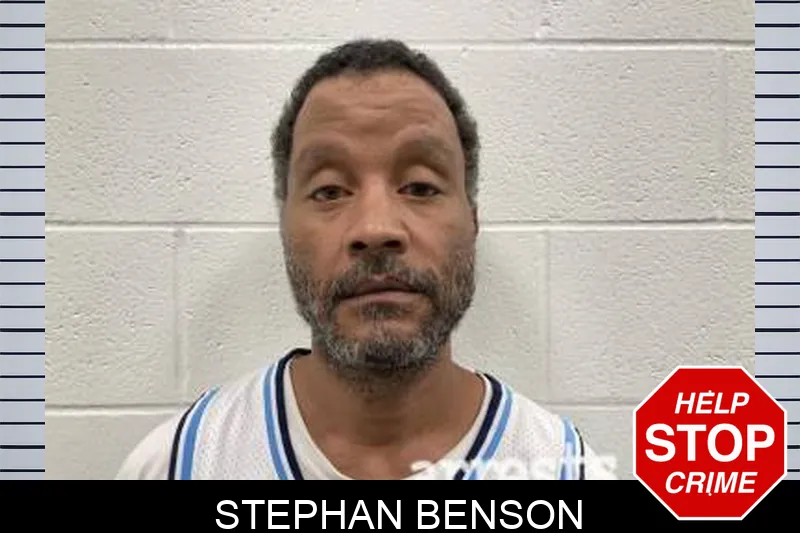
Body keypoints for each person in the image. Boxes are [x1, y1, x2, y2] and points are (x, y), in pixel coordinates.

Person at [115, 38, 615, 481]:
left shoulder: (564, 470)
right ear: (285, 225)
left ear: (473, 221)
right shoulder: (177, 464)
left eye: (420, 186)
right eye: (330, 190)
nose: (375, 229)